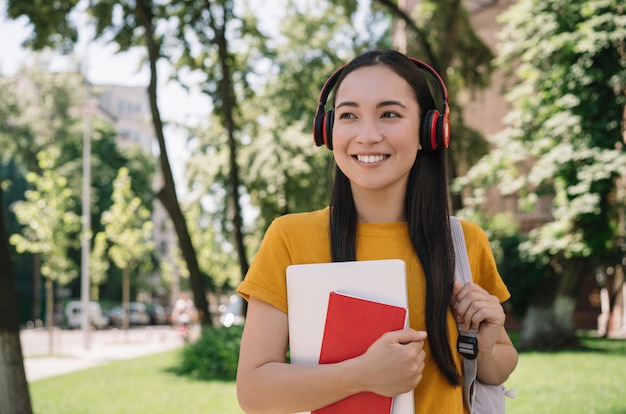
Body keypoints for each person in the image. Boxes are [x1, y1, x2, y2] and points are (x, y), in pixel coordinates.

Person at [236, 49, 518, 413]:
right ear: (328, 130)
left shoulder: (463, 242)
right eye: (349, 115)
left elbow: (498, 367)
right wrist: (363, 375)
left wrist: (486, 345)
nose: (367, 135)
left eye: (389, 114)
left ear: (428, 131)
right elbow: (254, 392)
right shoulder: (290, 238)